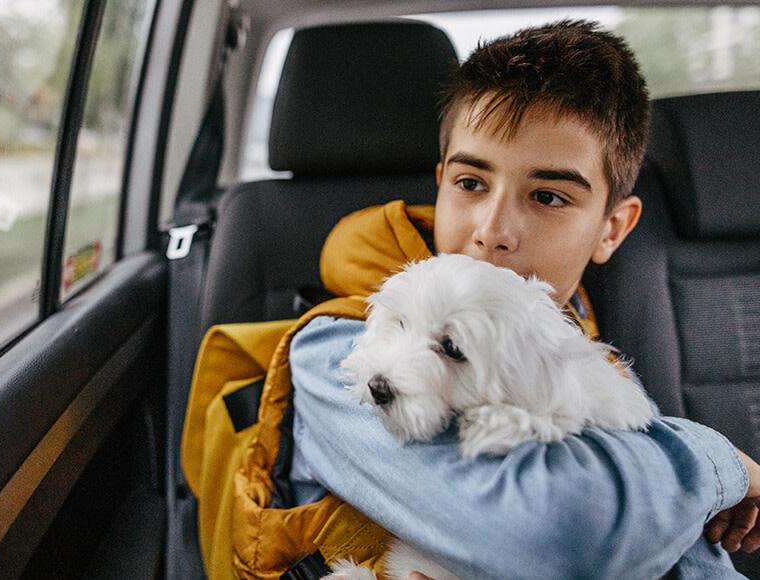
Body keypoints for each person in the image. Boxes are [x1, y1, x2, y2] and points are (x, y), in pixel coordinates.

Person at [287, 20, 760, 579]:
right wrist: (714, 459)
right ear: (440, 185)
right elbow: (566, 533)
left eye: (547, 196)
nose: (494, 230)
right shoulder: (338, 349)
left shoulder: (587, 357)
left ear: (611, 229)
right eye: (470, 183)